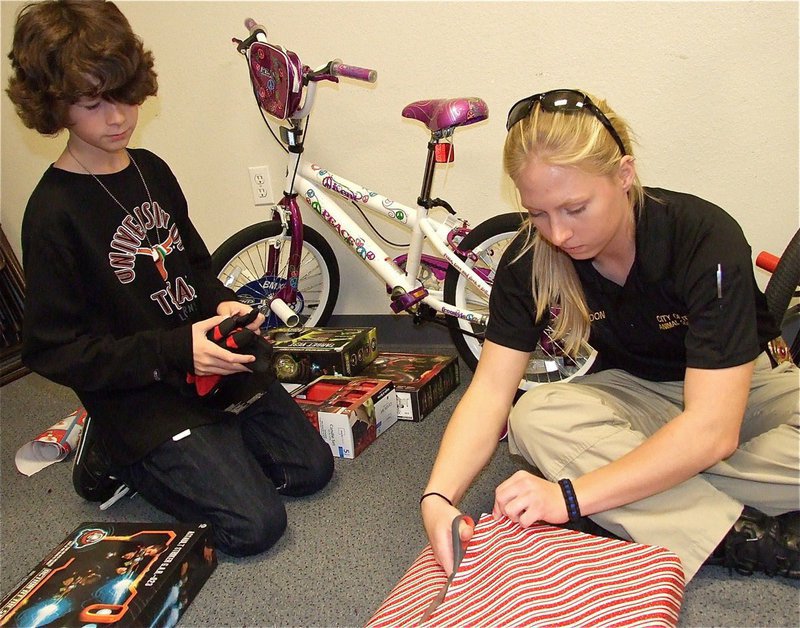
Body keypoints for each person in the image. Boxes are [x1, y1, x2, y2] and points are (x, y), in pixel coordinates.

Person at [420, 89, 799, 583]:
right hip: (638, 392)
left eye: (575, 208)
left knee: (704, 444)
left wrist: (570, 495)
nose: (557, 233)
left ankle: (652, 497)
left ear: (624, 175)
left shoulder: (703, 234)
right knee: (533, 417)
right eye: (538, 213)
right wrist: (436, 498)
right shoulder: (527, 259)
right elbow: (491, 390)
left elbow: (715, 428)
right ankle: (749, 537)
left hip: (745, 388)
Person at [7, 0, 333, 557]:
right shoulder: (52, 214)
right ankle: (110, 451)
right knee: (255, 527)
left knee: (310, 470)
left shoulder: (150, 168)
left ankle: (202, 447)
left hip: (204, 365)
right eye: (93, 103)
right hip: (138, 392)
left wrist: (226, 304)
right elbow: (53, 350)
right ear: (54, 106)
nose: (118, 118)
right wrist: (173, 350)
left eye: (125, 95)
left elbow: (197, 269)